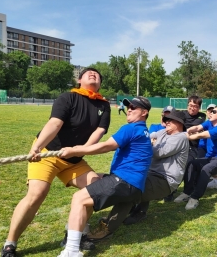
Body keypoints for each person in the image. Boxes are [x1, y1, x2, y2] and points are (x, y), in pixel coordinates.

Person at [0, 68, 111, 257]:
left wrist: (79, 151)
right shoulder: (68, 97)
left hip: (74, 160)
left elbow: (98, 132)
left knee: (96, 189)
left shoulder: (104, 105)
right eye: (89, 73)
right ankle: (10, 244)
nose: (93, 74)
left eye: (97, 75)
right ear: (79, 79)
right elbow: (55, 123)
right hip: (47, 153)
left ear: (100, 83)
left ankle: (74, 233)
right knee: (36, 195)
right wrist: (38, 147)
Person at [57, 96, 153, 257]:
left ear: (144, 112)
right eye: (128, 106)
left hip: (125, 182)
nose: (129, 109)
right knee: (87, 199)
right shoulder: (144, 131)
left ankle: (72, 250)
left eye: (134, 107)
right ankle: (81, 236)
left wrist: (75, 150)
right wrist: (108, 176)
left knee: (79, 199)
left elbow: (106, 146)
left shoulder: (131, 128)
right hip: (132, 185)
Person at [86, 110, 189, 241]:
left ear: (179, 123)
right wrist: (143, 139)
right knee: (134, 183)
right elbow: (145, 137)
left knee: (129, 190)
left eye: (171, 120)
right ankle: (139, 212)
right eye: (166, 119)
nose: (166, 121)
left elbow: (157, 152)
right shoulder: (163, 132)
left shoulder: (180, 137)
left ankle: (108, 228)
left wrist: (142, 143)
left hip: (165, 180)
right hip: (152, 175)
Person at [174, 106, 217, 210]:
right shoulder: (209, 123)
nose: (211, 113)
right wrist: (189, 130)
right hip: (210, 158)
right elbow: (198, 127)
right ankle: (187, 192)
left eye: (214, 111)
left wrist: (186, 136)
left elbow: (203, 135)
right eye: (210, 111)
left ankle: (195, 198)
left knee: (206, 169)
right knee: (192, 163)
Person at [163, 96, 206, 202]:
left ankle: (183, 190)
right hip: (177, 144)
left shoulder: (202, 117)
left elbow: (195, 126)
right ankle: (169, 189)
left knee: (186, 165)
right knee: (170, 166)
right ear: (187, 105)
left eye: (195, 106)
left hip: (191, 147)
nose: (192, 108)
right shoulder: (181, 114)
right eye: (191, 105)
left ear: (199, 107)